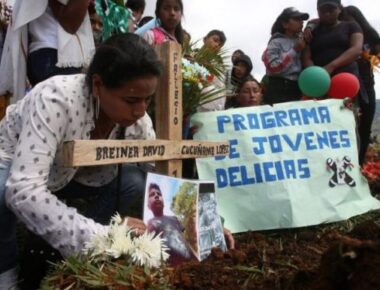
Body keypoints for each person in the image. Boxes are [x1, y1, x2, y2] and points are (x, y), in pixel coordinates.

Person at [0, 33, 160, 289]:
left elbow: (158, 167)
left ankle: (66, 245)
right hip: (17, 166)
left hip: (72, 175)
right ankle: (5, 269)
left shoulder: (138, 121)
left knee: (134, 181)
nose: (141, 110)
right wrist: (103, 236)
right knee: (1, 190)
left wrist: (198, 219)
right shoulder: (55, 100)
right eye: (131, 100)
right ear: (97, 85)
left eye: (147, 99)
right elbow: (23, 190)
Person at [0, 0, 94, 102]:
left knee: (49, 113)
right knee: (61, 114)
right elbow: (71, 24)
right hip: (58, 58)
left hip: (41, 57)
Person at [340, 5, 380, 165]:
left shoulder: (371, 37)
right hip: (347, 87)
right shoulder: (342, 37)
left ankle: (360, 163)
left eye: (349, 19)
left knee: (365, 128)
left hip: (367, 86)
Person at [262, 7, 309, 105]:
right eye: (296, 19)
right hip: (278, 88)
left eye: (302, 20)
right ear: (285, 24)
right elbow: (273, 67)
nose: (301, 22)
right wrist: (294, 50)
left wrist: (310, 26)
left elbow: (316, 22)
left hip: (297, 88)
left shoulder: (302, 40)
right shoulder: (275, 42)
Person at [146, 183, 194, 265]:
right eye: (152, 195)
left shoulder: (174, 219)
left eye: (159, 194)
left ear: (164, 202)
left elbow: (186, 239)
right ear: (148, 205)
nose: (157, 196)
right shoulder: (150, 223)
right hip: (172, 269)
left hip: (191, 263)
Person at [196, 29, 227, 112]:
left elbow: (220, 90)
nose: (217, 45)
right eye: (215, 40)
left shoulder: (219, 66)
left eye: (220, 45)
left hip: (212, 112)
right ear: (205, 39)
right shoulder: (190, 57)